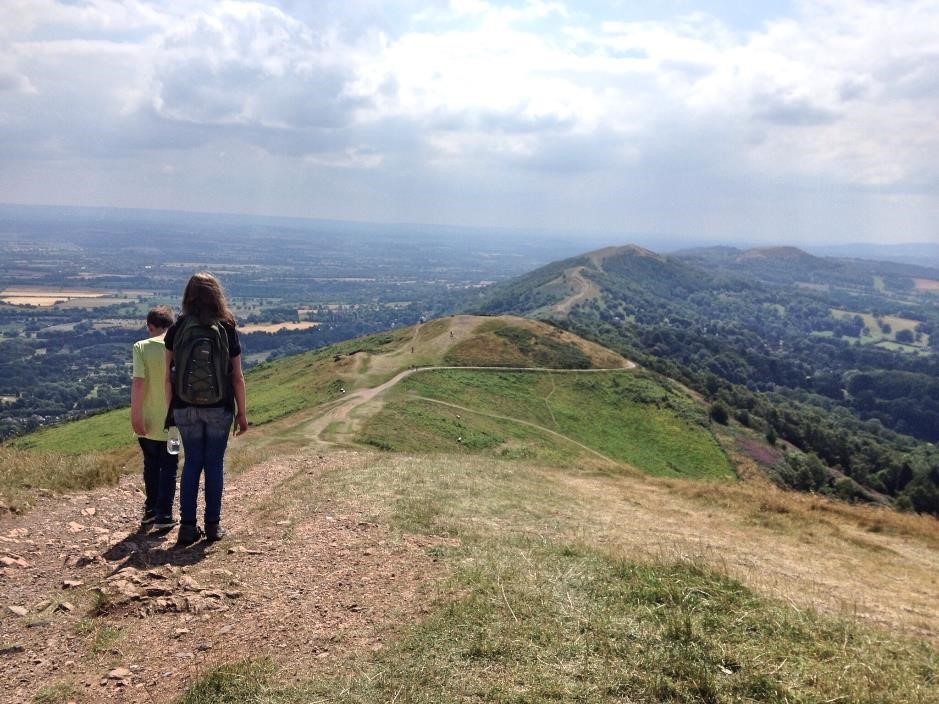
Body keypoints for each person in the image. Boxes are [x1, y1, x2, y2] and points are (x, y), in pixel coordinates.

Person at [164, 272, 248, 546]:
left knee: (191, 463)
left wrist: (172, 410)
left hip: (184, 407)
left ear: (188, 296)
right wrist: (242, 413)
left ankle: (187, 527)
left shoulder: (178, 328)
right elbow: (236, 376)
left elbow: (168, 375)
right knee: (214, 464)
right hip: (219, 407)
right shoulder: (226, 327)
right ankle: (213, 527)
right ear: (217, 296)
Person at [130, 305, 178, 530]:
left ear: (150, 326)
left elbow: (139, 383)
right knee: (169, 466)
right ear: (170, 324)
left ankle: (150, 510)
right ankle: (165, 515)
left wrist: (135, 415)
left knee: (151, 465)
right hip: (174, 420)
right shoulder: (178, 345)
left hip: (147, 419)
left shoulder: (141, 346)